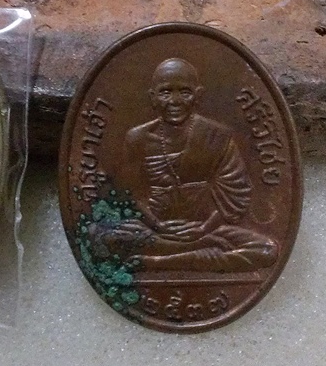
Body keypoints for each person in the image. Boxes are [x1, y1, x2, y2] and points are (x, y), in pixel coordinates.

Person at [98, 58, 277, 273]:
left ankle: (160, 262)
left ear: (198, 96)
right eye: (165, 92)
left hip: (207, 228)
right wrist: (156, 225)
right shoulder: (137, 138)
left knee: (267, 250)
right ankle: (194, 253)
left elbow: (236, 194)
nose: (175, 101)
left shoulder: (217, 136)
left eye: (185, 92)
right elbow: (129, 193)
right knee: (99, 238)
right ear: (152, 97)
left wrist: (202, 229)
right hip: (152, 230)